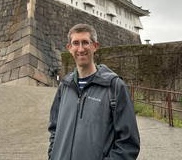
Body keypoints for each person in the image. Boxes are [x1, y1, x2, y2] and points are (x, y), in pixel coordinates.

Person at [48, 23, 140, 160]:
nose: (80, 49)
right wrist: (53, 155)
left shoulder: (114, 87)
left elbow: (128, 143)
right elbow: (54, 129)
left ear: (95, 46)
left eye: (85, 42)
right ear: (69, 48)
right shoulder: (65, 86)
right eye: (76, 43)